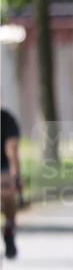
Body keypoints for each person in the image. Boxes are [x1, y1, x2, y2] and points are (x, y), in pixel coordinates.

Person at [1, 107, 21, 258]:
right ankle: (9, 232)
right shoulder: (7, 119)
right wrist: (16, 177)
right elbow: (12, 151)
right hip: (3, 174)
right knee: (10, 204)